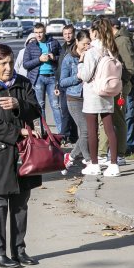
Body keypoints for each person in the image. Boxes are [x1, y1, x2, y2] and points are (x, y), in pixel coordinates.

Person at [0, 43, 41, 268]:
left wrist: (18, 104)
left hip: (24, 154)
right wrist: (19, 132)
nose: (8, 67)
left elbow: (36, 110)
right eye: (2, 63)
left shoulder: (23, 83)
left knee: (21, 203)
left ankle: (19, 250)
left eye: (11, 62)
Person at [77, 18, 121, 177]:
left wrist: (80, 63)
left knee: (92, 129)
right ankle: (114, 164)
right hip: (108, 92)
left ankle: (94, 164)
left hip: (93, 94)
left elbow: (85, 75)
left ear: (95, 32)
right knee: (110, 128)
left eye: (90, 31)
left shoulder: (91, 52)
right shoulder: (111, 49)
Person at [99, 18, 134, 163]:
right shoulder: (114, 40)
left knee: (119, 119)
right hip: (113, 84)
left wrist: (120, 82)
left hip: (120, 85)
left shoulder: (123, 41)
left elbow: (130, 67)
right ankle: (107, 151)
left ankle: (120, 153)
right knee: (108, 119)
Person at [59, 29, 92, 173]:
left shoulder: (91, 55)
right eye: (84, 44)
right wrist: (78, 76)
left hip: (89, 97)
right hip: (73, 99)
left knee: (89, 131)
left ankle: (70, 157)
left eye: (88, 44)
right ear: (77, 42)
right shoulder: (68, 58)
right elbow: (63, 82)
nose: (86, 47)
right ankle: (89, 160)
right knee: (85, 130)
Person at [22, 23, 62, 131]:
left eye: (40, 32)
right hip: (38, 78)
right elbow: (25, 64)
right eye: (36, 33)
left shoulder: (53, 43)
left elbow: (63, 58)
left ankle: (62, 133)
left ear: (45, 32)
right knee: (40, 105)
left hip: (52, 77)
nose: (38, 35)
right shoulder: (31, 46)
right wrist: (39, 59)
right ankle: (44, 132)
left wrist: (54, 57)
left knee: (55, 105)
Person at [57, 24, 78, 144]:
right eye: (65, 34)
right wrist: (56, 84)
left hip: (72, 83)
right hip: (62, 84)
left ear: (74, 33)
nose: (67, 36)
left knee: (69, 111)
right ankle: (71, 136)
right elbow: (59, 67)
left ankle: (63, 136)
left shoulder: (76, 47)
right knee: (65, 110)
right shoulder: (63, 47)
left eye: (69, 33)